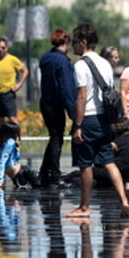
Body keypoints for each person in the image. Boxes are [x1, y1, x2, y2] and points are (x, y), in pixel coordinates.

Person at [66, 23, 129, 220]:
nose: (73, 47)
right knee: (107, 161)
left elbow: (82, 97)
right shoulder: (105, 63)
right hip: (105, 120)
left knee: (85, 164)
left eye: (75, 42)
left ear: (83, 42)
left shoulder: (80, 65)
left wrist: (77, 126)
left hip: (88, 119)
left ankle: (84, 207)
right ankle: (124, 200)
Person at [39, 29, 78, 184]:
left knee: (54, 136)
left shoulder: (46, 57)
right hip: (56, 104)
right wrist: (72, 112)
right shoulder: (62, 61)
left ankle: (44, 172)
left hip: (45, 102)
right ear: (66, 42)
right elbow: (66, 88)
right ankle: (54, 174)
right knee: (57, 138)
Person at [0, 37, 29, 127]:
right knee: (0, 119)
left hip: (8, 93)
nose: (1, 50)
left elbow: (25, 71)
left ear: (7, 48)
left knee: (12, 118)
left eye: (3, 48)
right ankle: (2, 138)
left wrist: (19, 84)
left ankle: (16, 138)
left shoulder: (13, 60)